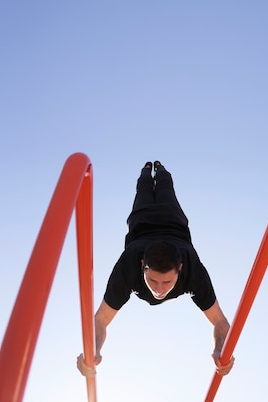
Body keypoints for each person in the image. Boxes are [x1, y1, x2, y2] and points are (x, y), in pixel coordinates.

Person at [76, 161, 235, 377]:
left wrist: (221, 350)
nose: (159, 289)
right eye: (152, 280)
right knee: (143, 187)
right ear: (142, 266)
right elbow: (101, 319)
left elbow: (220, 321)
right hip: (146, 219)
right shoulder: (128, 267)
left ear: (180, 269)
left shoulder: (193, 272)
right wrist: (92, 350)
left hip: (170, 218)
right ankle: (145, 170)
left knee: (165, 187)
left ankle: (160, 169)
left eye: (167, 282)